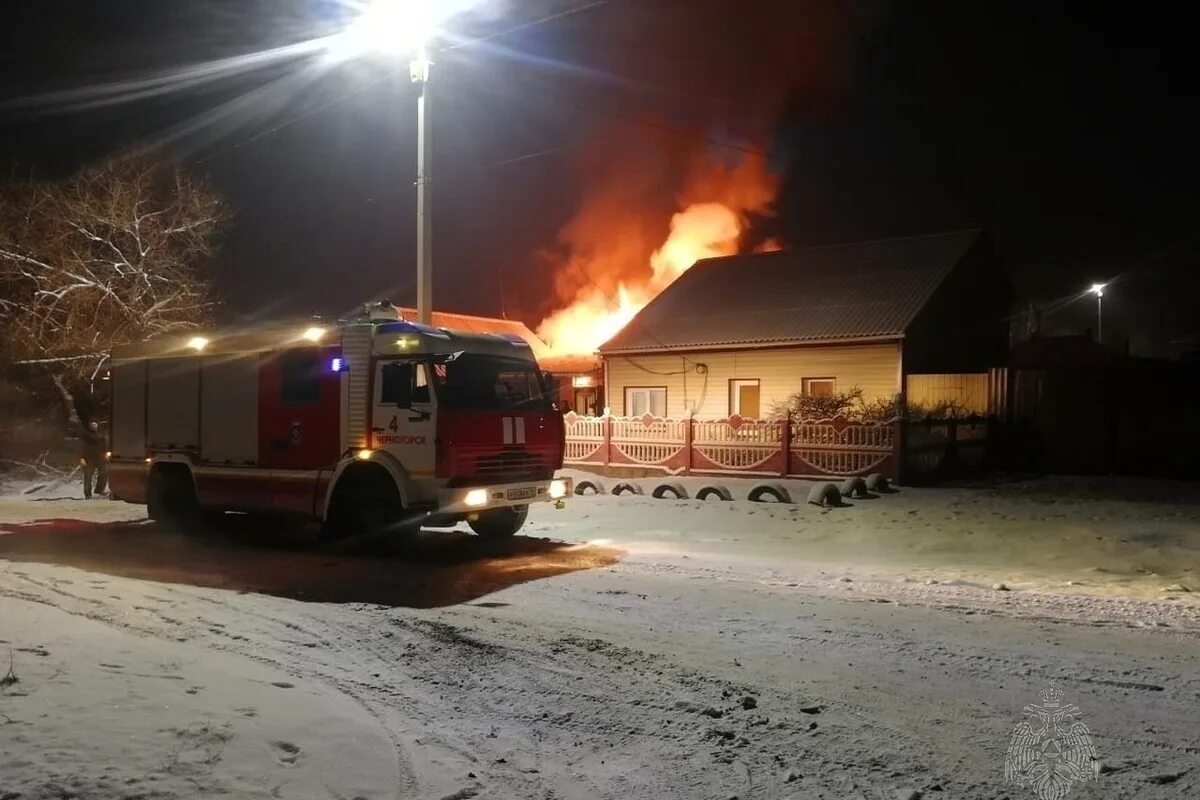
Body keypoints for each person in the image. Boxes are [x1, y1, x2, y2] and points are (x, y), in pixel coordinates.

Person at [80, 420, 107, 499]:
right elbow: (81, 447)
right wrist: (81, 457)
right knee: (88, 477)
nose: (94, 426)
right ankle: (88, 494)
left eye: (95, 425)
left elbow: (105, 446)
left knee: (104, 474)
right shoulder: (85, 436)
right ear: (90, 426)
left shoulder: (101, 436)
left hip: (100, 458)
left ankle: (99, 490)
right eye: (93, 425)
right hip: (89, 459)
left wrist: (106, 454)